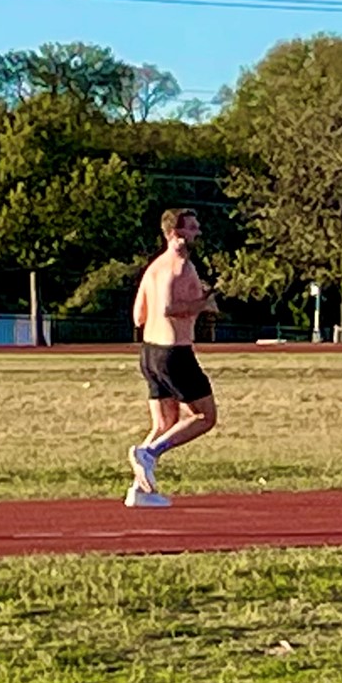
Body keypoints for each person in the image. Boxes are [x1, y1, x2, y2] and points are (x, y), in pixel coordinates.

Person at [126, 208, 219, 508]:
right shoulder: (181, 266)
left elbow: (138, 315)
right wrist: (203, 303)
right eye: (192, 228)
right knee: (205, 416)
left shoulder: (152, 268)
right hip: (174, 353)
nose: (198, 232)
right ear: (175, 234)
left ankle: (141, 490)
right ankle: (149, 454)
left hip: (149, 353)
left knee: (165, 423)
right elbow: (169, 308)